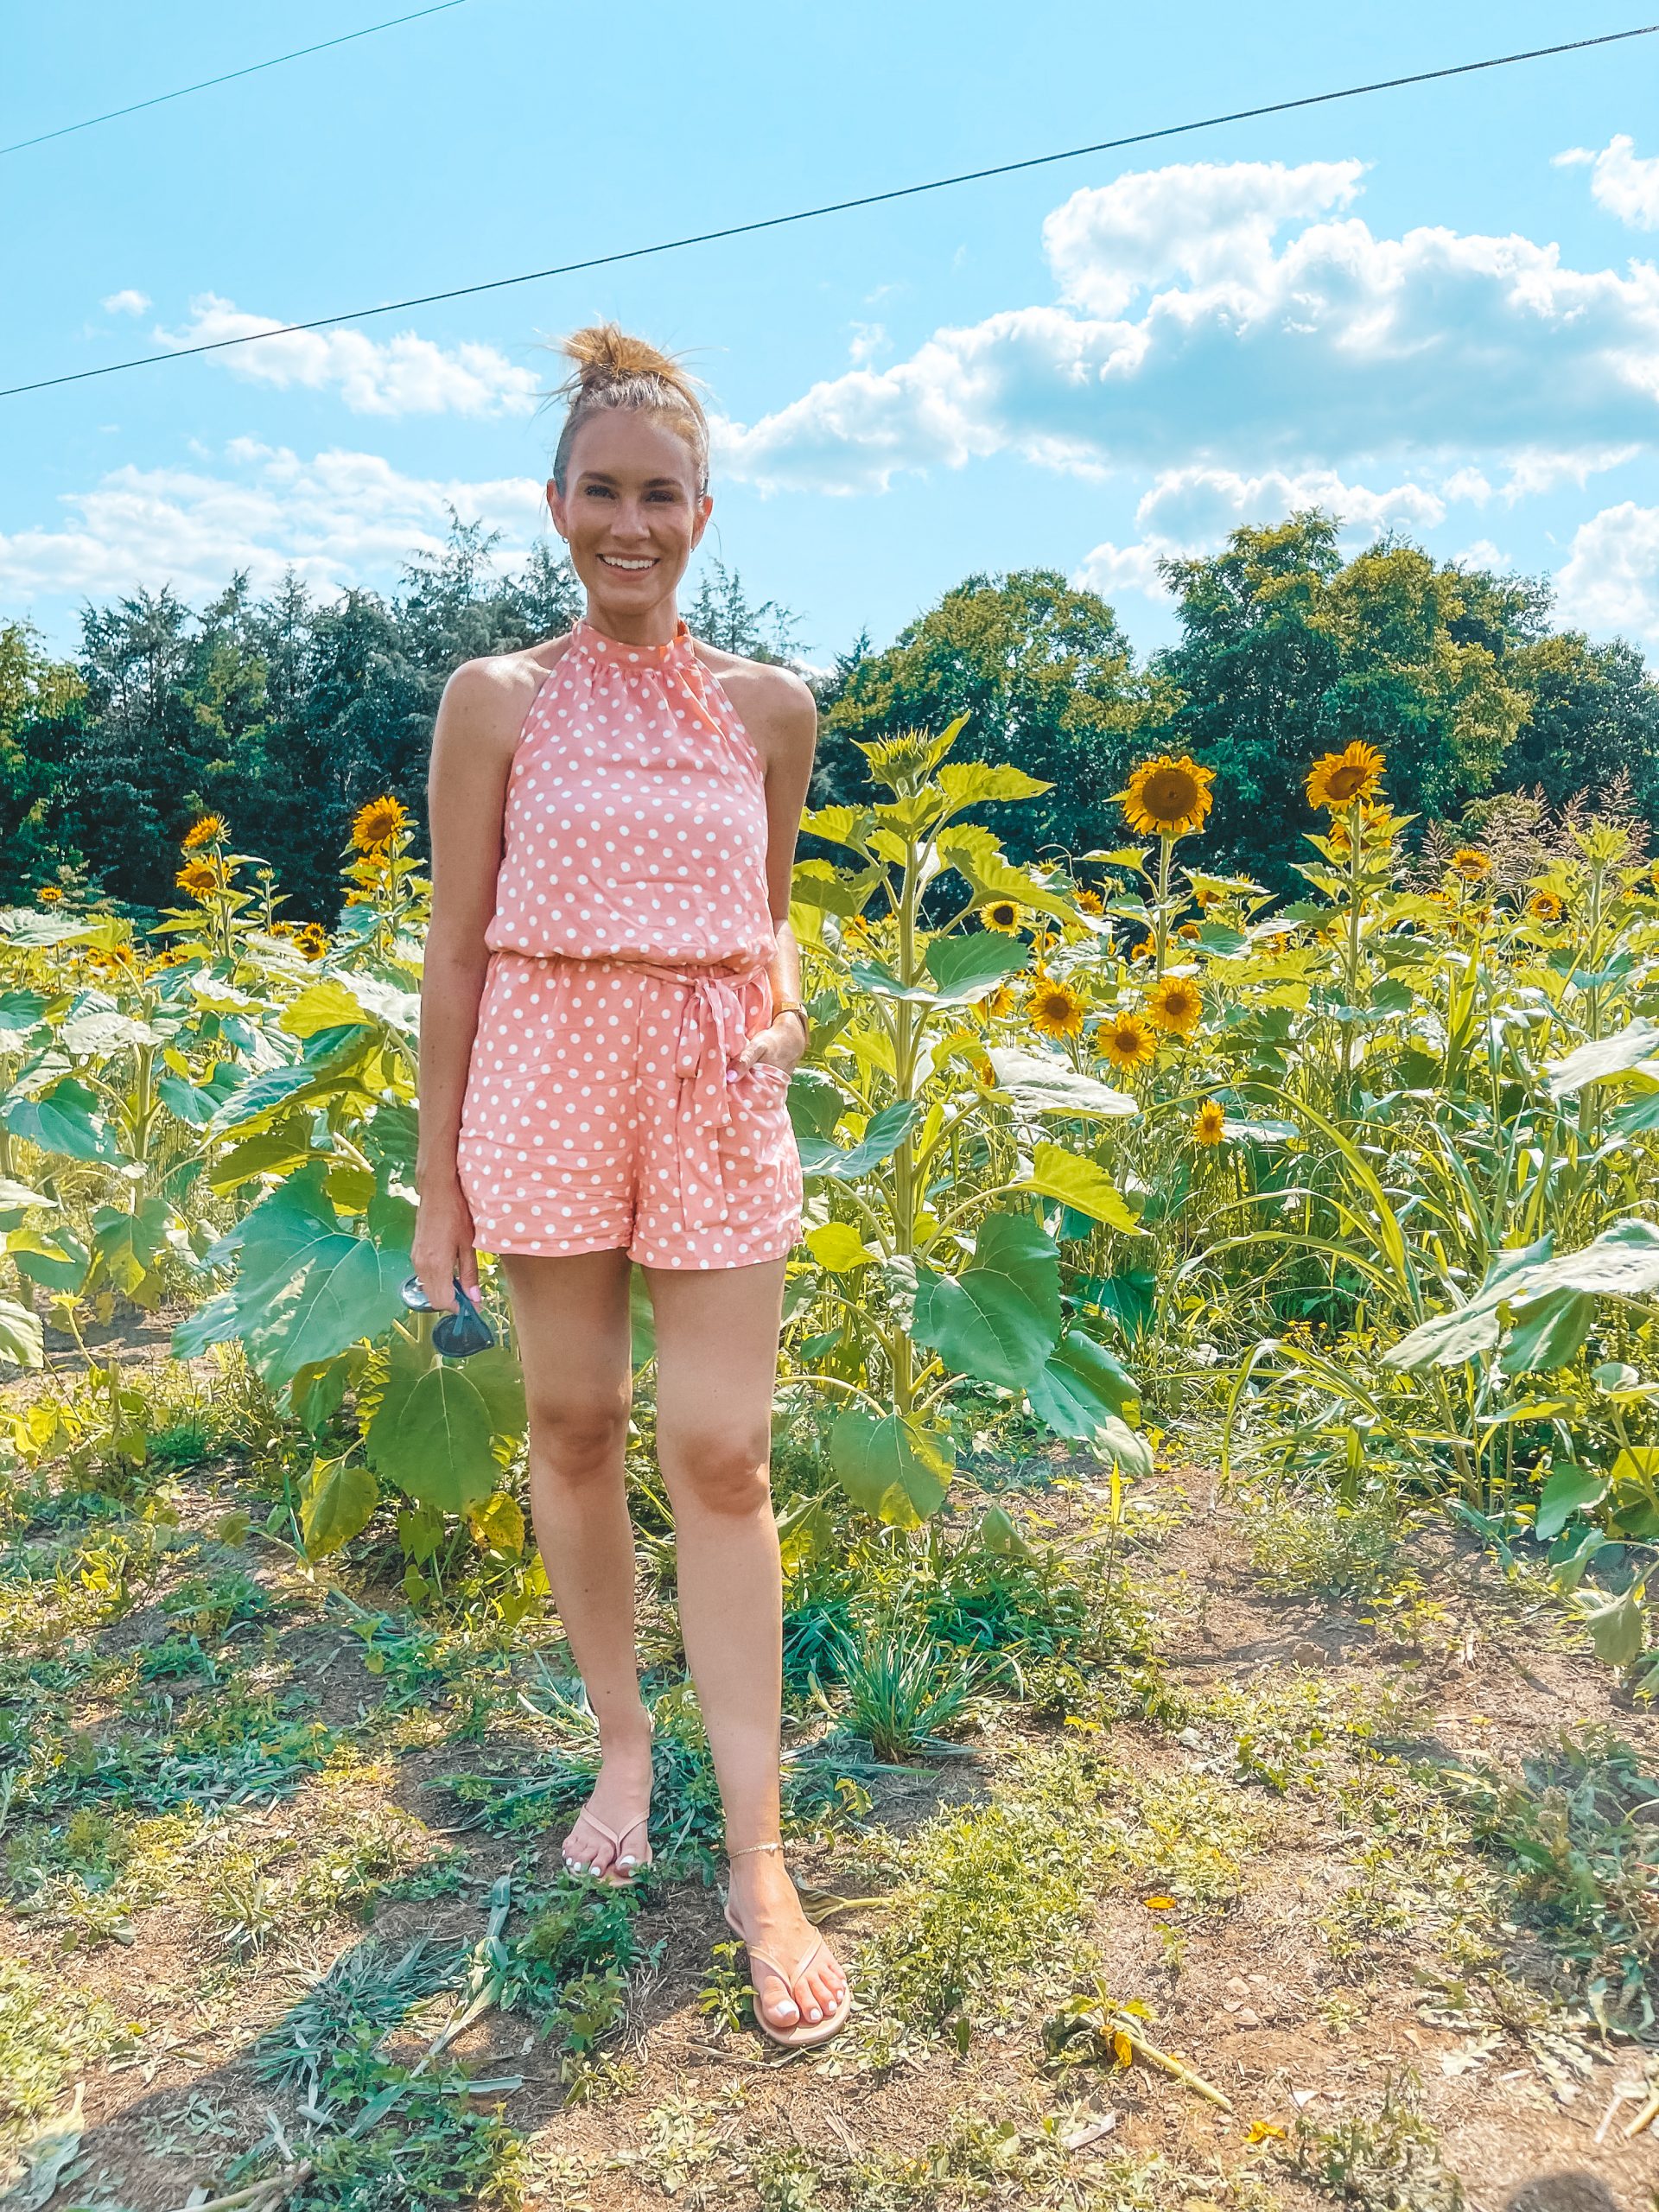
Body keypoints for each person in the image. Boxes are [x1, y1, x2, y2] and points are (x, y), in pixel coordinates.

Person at [411, 324, 851, 2050]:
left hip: (710, 1086)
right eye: (600, 489)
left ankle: (760, 1855)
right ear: (556, 504)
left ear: (704, 511)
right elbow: (453, 950)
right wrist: (433, 1187)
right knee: (577, 1420)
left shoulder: (769, 708)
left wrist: (791, 990)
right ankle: (623, 1740)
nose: (629, 520)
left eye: (660, 493)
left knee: (722, 1448)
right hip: (542, 1068)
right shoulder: (493, 701)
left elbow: (771, 903)